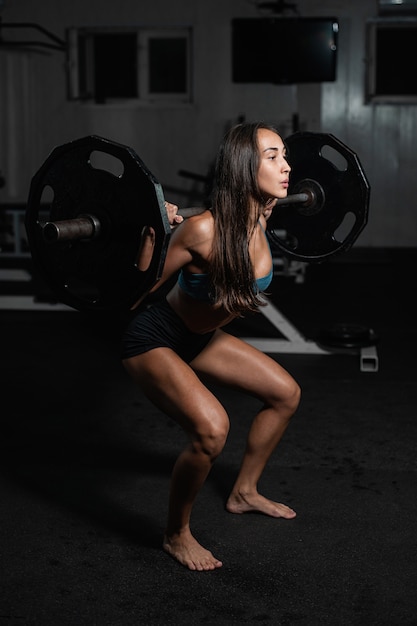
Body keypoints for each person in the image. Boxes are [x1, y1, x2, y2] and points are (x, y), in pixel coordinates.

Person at [121, 121, 301, 571]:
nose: (287, 166)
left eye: (284, 155)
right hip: (154, 337)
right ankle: (176, 535)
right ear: (244, 167)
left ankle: (244, 493)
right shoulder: (202, 231)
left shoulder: (262, 212)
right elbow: (133, 296)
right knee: (212, 430)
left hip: (200, 338)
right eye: (274, 156)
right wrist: (150, 233)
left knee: (285, 394)